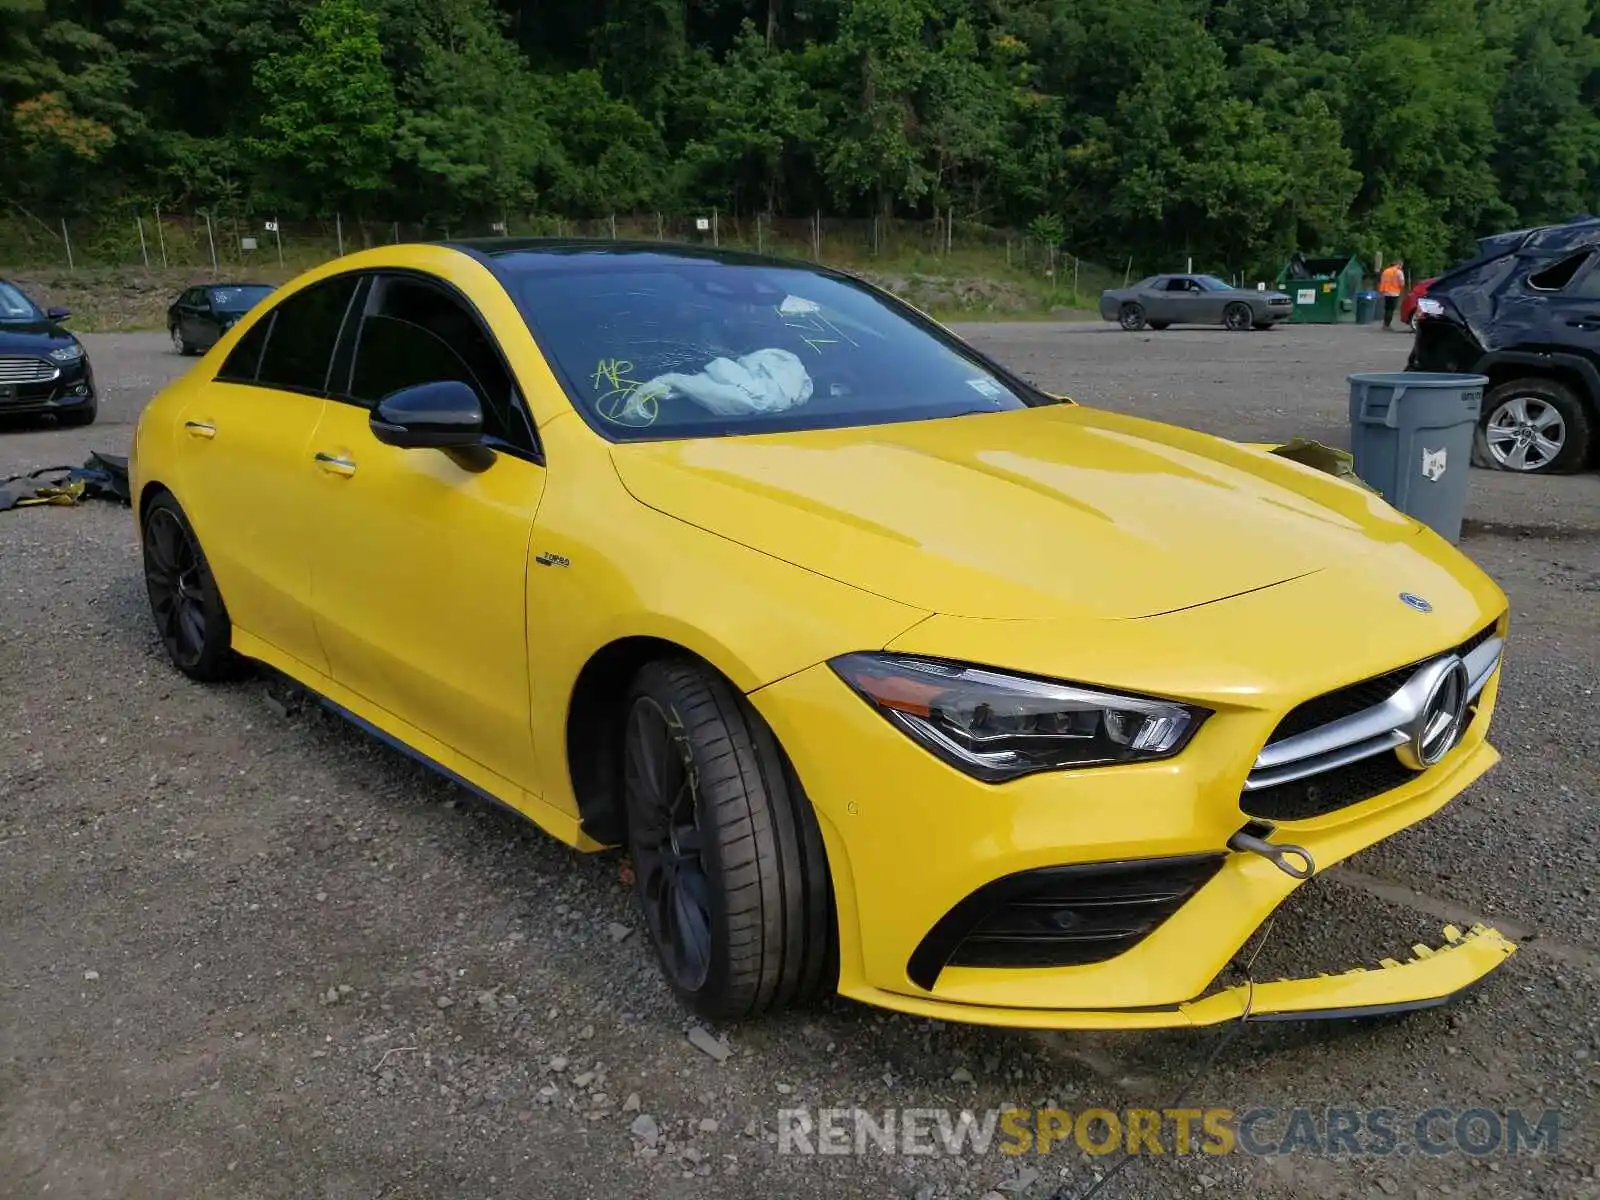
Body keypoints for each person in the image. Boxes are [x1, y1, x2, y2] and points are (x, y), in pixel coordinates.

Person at [1379, 259, 1407, 330]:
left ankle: (1385, 324)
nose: (1401, 267)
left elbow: (1382, 281)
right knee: (1391, 309)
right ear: (1399, 264)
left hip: (1385, 292)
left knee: (1387, 308)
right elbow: (1402, 283)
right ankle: (1387, 325)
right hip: (1394, 292)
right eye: (1401, 266)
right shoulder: (1398, 272)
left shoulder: (1386, 271)